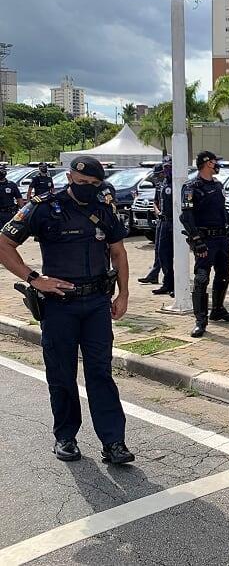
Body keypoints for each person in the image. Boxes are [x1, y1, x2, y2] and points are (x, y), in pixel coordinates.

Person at [0, 155, 134, 464]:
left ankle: (114, 443)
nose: (88, 188)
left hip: (97, 304)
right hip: (60, 305)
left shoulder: (104, 207)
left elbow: (118, 252)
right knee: (61, 373)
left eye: (94, 184)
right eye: (83, 182)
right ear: (70, 176)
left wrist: (124, 294)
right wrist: (34, 279)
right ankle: (66, 437)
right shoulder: (44, 206)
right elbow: (4, 244)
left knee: (100, 372)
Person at [180, 151, 229, 337]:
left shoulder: (217, 185)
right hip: (205, 240)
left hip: (221, 239)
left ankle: (217, 309)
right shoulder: (191, 187)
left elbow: (222, 210)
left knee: (224, 274)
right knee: (202, 278)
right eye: (215, 161)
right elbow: (186, 216)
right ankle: (200, 321)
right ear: (207, 163)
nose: (217, 164)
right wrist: (196, 240)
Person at [152, 158, 175, 296]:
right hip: (163, 222)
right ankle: (167, 283)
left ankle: (175, 285)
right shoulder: (162, 183)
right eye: (165, 167)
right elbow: (156, 201)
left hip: (174, 222)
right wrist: (158, 213)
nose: (167, 170)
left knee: (175, 255)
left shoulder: (179, 182)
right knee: (162, 253)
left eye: (170, 167)